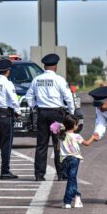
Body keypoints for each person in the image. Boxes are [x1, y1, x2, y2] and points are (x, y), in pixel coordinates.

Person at [25, 53, 75, 181]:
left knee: (41, 145)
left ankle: (39, 174)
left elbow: (28, 97)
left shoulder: (37, 80)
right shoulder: (59, 80)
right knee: (58, 144)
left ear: (44, 66)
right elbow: (68, 97)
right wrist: (71, 112)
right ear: (55, 67)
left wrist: (34, 107)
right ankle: (61, 173)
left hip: (42, 114)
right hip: (56, 115)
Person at [51, 115, 98, 209]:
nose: (78, 126)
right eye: (77, 124)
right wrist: (93, 137)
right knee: (71, 180)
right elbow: (87, 144)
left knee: (71, 179)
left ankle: (77, 197)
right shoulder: (77, 136)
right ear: (74, 126)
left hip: (64, 160)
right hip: (74, 159)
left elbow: (57, 148)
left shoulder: (61, 136)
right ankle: (68, 201)